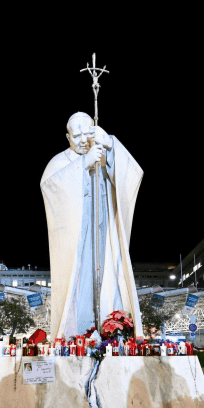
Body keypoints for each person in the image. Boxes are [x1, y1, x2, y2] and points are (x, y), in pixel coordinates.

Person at [41, 112, 144, 340]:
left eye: (87, 134)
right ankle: (77, 335)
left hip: (104, 235)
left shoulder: (102, 156)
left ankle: (112, 330)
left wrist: (111, 145)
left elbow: (132, 174)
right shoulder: (59, 162)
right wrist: (83, 166)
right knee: (80, 284)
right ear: (67, 137)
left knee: (109, 279)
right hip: (76, 238)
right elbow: (50, 189)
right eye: (76, 136)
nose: (82, 140)